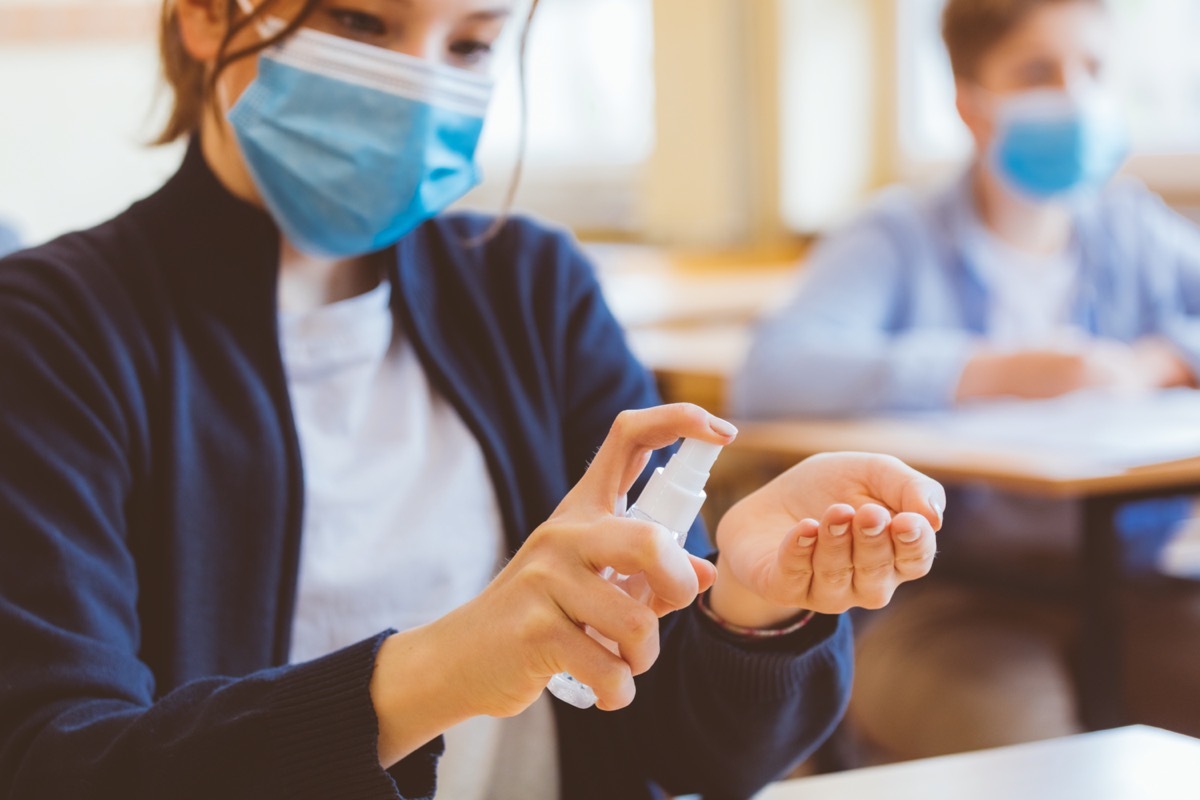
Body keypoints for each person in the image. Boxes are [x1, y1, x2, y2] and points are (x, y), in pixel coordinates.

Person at [0, 1, 947, 798]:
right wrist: (445, 669)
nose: (418, 90)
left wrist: (745, 609)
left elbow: (688, 748)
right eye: (361, 22)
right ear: (207, 14)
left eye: (470, 46)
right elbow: (56, 762)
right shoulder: (51, 332)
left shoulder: (532, 291)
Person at [732, 0, 1200, 761]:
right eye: (1038, 72)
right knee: (1029, 760)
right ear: (970, 105)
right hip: (943, 600)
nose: (1075, 96)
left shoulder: (1130, 229)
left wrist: (1160, 361)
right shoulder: (897, 236)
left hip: (1131, 586)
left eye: (1093, 69)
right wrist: (997, 372)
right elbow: (775, 374)